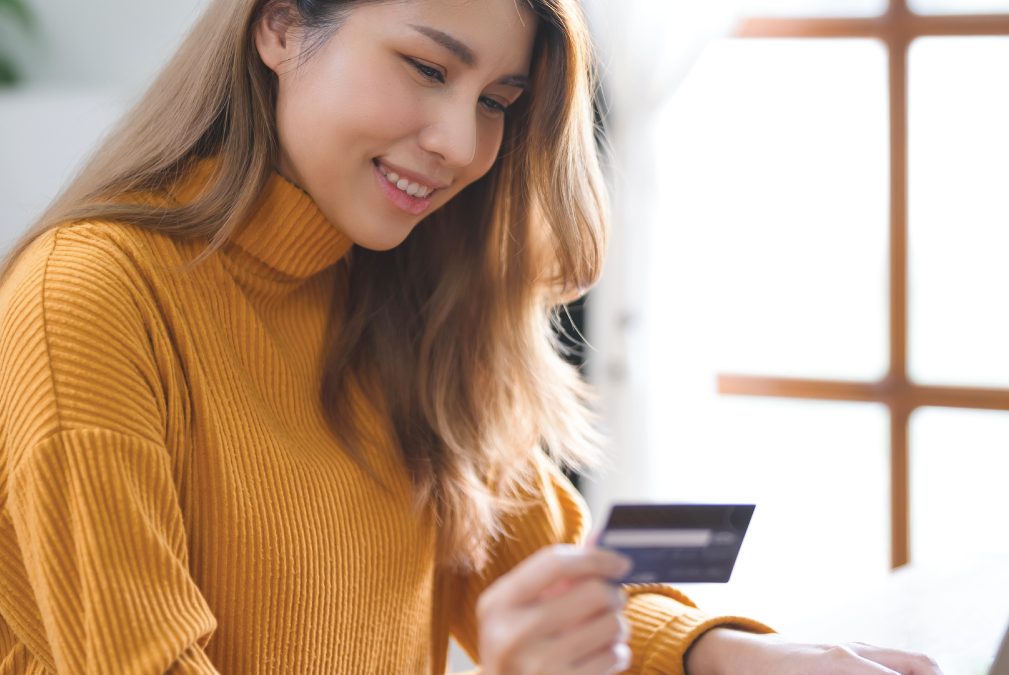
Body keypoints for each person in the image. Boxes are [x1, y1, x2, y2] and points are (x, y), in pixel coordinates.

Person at [0, 0, 945, 673]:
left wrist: (737, 655)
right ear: (281, 25)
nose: (461, 144)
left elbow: (548, 565)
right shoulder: (89, 298)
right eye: (426, 68)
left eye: (498, 100)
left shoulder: (406, 295)